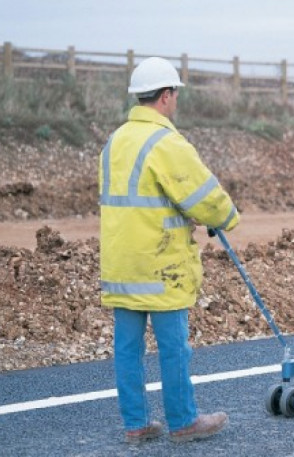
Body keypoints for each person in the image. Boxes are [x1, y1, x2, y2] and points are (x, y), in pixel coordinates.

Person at [99, 57, 240, 444]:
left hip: (121, 263)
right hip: (160, 266)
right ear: (165, 96)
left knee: (127, 350)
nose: (175, 100)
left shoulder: (115, 141)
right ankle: (182, 421)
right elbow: (201, 195)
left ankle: (136, 424)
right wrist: (227, 217)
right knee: (174, 348)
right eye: (174, 93)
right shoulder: (165, 142)